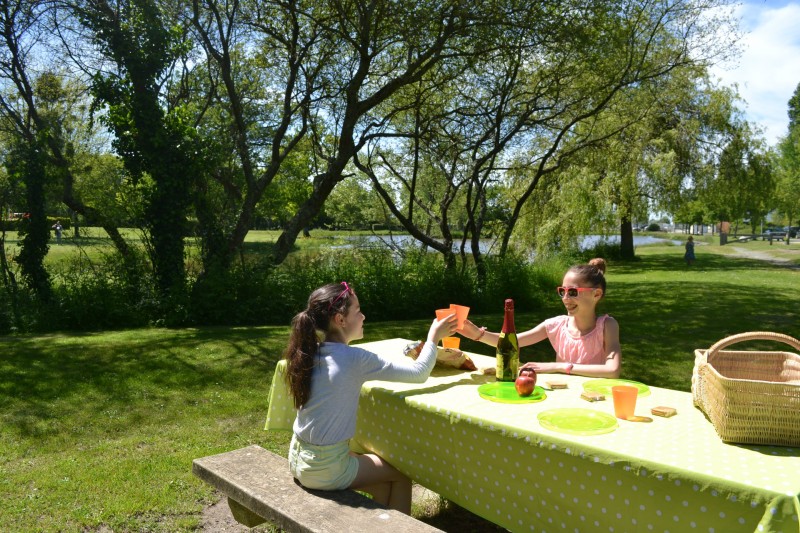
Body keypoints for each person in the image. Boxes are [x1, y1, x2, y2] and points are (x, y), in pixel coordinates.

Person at [284, 281, 456, 514]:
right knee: (401, 474)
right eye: (358, 311)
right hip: (325, 469)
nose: (364, 316)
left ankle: (383, 525)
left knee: (384, 483)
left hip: (299, 458)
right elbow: (419, 373)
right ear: (340, 320)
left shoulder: (308, 351)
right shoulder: (354, 359)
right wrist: (433, 336)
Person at [459, 258, 621, 378]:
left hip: (596, 400)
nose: (565, 298)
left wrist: (558, 367)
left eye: (572, 292)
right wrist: (477, 334)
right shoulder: (556, 325)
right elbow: (513, 341)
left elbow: (612, 370)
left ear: (596, 294)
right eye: (561, 291)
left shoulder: (607, 326)